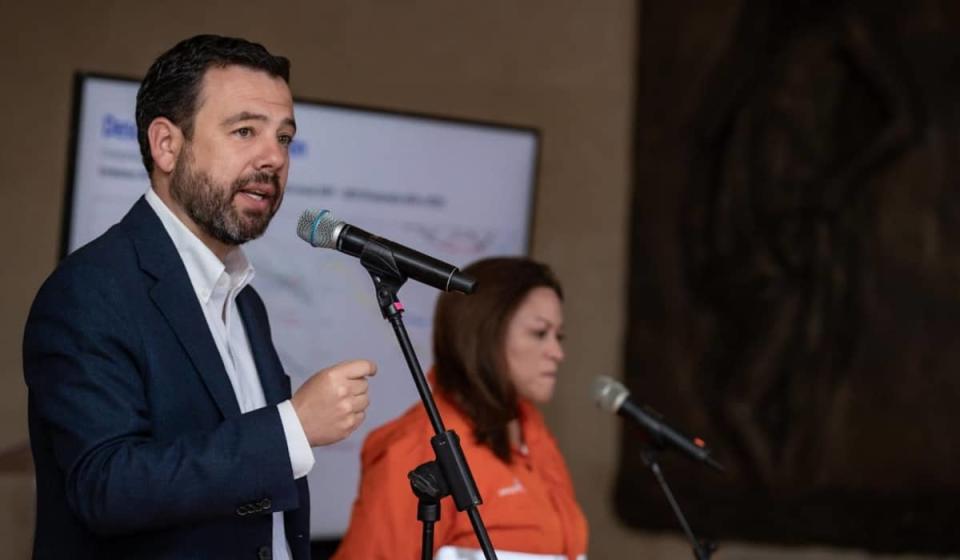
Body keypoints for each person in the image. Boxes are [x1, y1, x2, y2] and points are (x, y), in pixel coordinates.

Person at [22, 35, 376, 560]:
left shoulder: (243, 299)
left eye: (284, 137)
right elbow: (106, 487)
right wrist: (292, 429)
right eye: (244, 131)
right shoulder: (91, 290)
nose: (273, 158)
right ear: (167, 145)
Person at [333, 257, 588, 560]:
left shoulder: (533, 432)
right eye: (539, 333)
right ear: (485, 333)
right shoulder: (417, 446)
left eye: (559, 336)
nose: (557, 352)